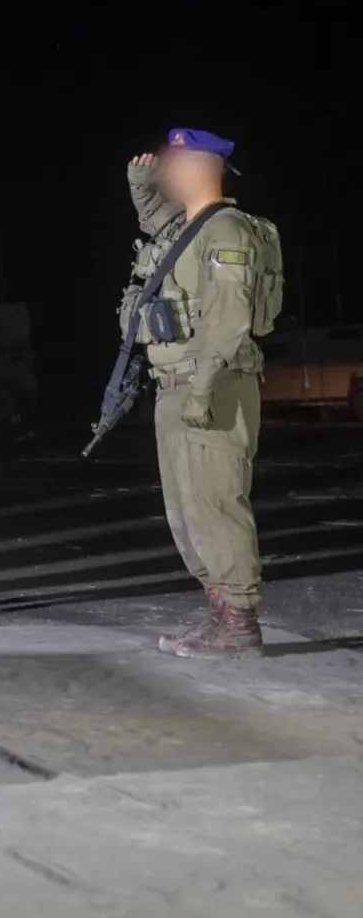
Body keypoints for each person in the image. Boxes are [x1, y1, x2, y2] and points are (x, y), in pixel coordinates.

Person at [126, 129, 269, 658]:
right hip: (176, 385)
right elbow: (157, 224)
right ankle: (219, 611)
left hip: (214, 384)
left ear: (205, 167)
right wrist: (141, 188)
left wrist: (203, 388)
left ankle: (240, 621)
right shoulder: (186, 228)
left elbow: (229, 317)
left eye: (176, 164)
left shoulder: (225, 229)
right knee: (186, 509)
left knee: (216, 501)